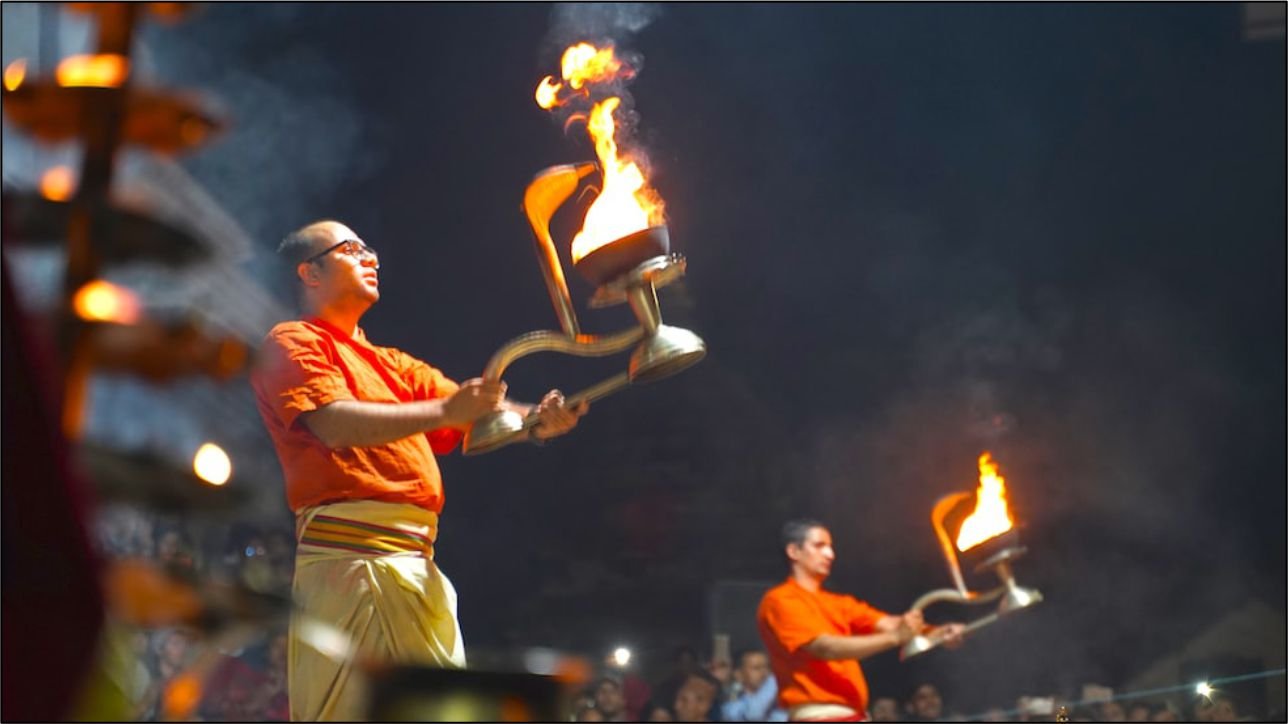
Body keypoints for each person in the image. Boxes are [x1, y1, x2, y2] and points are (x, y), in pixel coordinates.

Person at [251, 220, 588, 721]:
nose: (372, 257)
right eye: (353, 248)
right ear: (310, 273)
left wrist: (535, 420)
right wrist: (446, 415)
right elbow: (334, 424)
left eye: (371, 248)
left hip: (416, 567)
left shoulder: (393, 364)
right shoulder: (290, 342)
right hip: (349, 567)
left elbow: (473, 418)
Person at [756, 519, 965, 722]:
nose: (830, 554)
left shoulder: (838, 603)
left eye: (830, 547)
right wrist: (895, 637)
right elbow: (824, 647)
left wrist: (939, 633)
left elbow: (892, 624)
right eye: (819, 546)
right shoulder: (780, 600)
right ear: (794, 551)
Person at [721, 649, 788, 721]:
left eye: (767, 667)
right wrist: (777, 678)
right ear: (739, 675)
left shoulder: (778, 702)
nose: (764, 673)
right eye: (756, 668)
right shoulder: (730, 706)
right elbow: (753, 714)